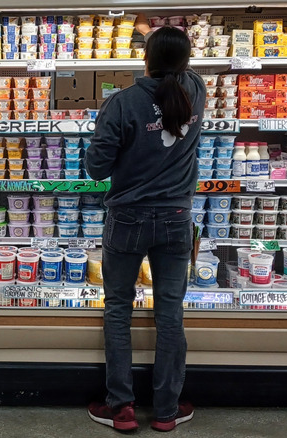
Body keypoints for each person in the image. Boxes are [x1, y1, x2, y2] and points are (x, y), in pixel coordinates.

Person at [84, 18, 206, 433]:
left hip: (128, 218)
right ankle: (168, 411)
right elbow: (180, 73)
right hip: (176, 219)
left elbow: (96, 168)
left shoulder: (121, 103)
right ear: (187, 61)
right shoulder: (196, 91)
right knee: (170, 314)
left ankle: (122, 408)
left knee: (118, 309)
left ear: (145, 58)